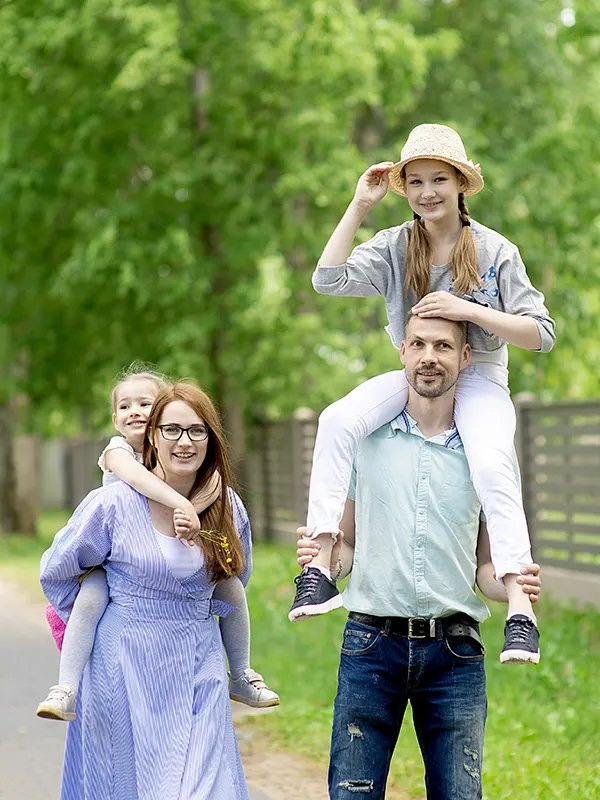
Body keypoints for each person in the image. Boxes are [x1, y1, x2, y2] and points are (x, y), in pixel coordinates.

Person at [289, 123, 554, 664]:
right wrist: (361, 204)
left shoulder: (495, 250)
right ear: (403, 189)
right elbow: (326, 280)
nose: (428, 191)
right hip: (418, 370)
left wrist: (466, 310)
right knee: (337, 420)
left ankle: (521, 610)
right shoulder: (394, 246)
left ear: (459, 183)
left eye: (439, 179)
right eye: (415, 182)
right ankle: (318, 567)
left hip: (478, 377)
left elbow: (541, 334)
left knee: (490, 460)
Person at [296, 314, 542, 799]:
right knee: (353, 793)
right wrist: (326, 560)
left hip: (455, 653)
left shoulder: (485, 455)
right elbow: (345, 546)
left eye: (444, 347)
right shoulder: (365, 441)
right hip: (370, 645)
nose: (430, 357)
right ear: (403, 352)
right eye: (420, 345)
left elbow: (486, 570)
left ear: (465, 358)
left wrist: (516, 587)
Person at [40, 381, 256, 799]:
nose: (184, 442)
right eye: (171, 430)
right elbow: (57, 570)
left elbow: (233, 577)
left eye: (197, 431)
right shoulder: (111, 504)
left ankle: (243, 675)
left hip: (199, 662)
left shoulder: (226, 505)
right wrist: (97, 608)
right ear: (152, 437)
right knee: (127, 785)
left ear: (212, 439)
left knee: (205, 786)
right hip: (123, 665)